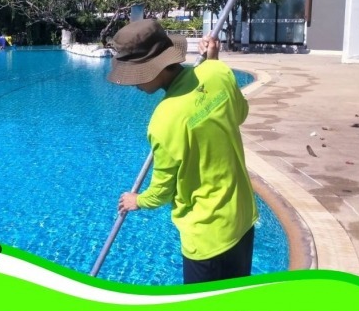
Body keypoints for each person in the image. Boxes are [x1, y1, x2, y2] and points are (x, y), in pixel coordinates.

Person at [107, 19, 258, 284]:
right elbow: (240, 113)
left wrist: (138, 201)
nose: (132, 84)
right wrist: (213, 61)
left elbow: (162, 191)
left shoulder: (164, 120)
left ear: (156, 67)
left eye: (135, 74)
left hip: (207, 235)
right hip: (242, 218)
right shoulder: (218, 73)